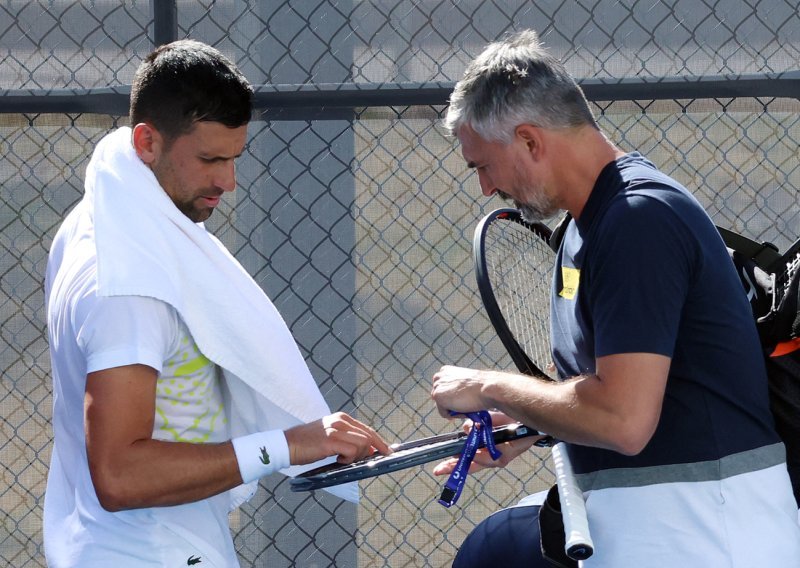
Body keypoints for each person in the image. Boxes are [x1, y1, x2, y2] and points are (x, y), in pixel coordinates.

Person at [430, 29, 800, 567]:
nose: (486, 188)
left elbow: (623, 419)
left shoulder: (637, 219)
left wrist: (490, 386)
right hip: (660, 532)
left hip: (707, 539)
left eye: (482, 165)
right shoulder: (587, 228)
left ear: (531, 141)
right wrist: (531, 423)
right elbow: (628, 400)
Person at [44, 39, 390, 567]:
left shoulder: (95, 223)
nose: (227, 181)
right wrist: (289, 444)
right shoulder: (130, 285)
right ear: (146, 142)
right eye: (209, 159)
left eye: (234, 158)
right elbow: (119, 475)